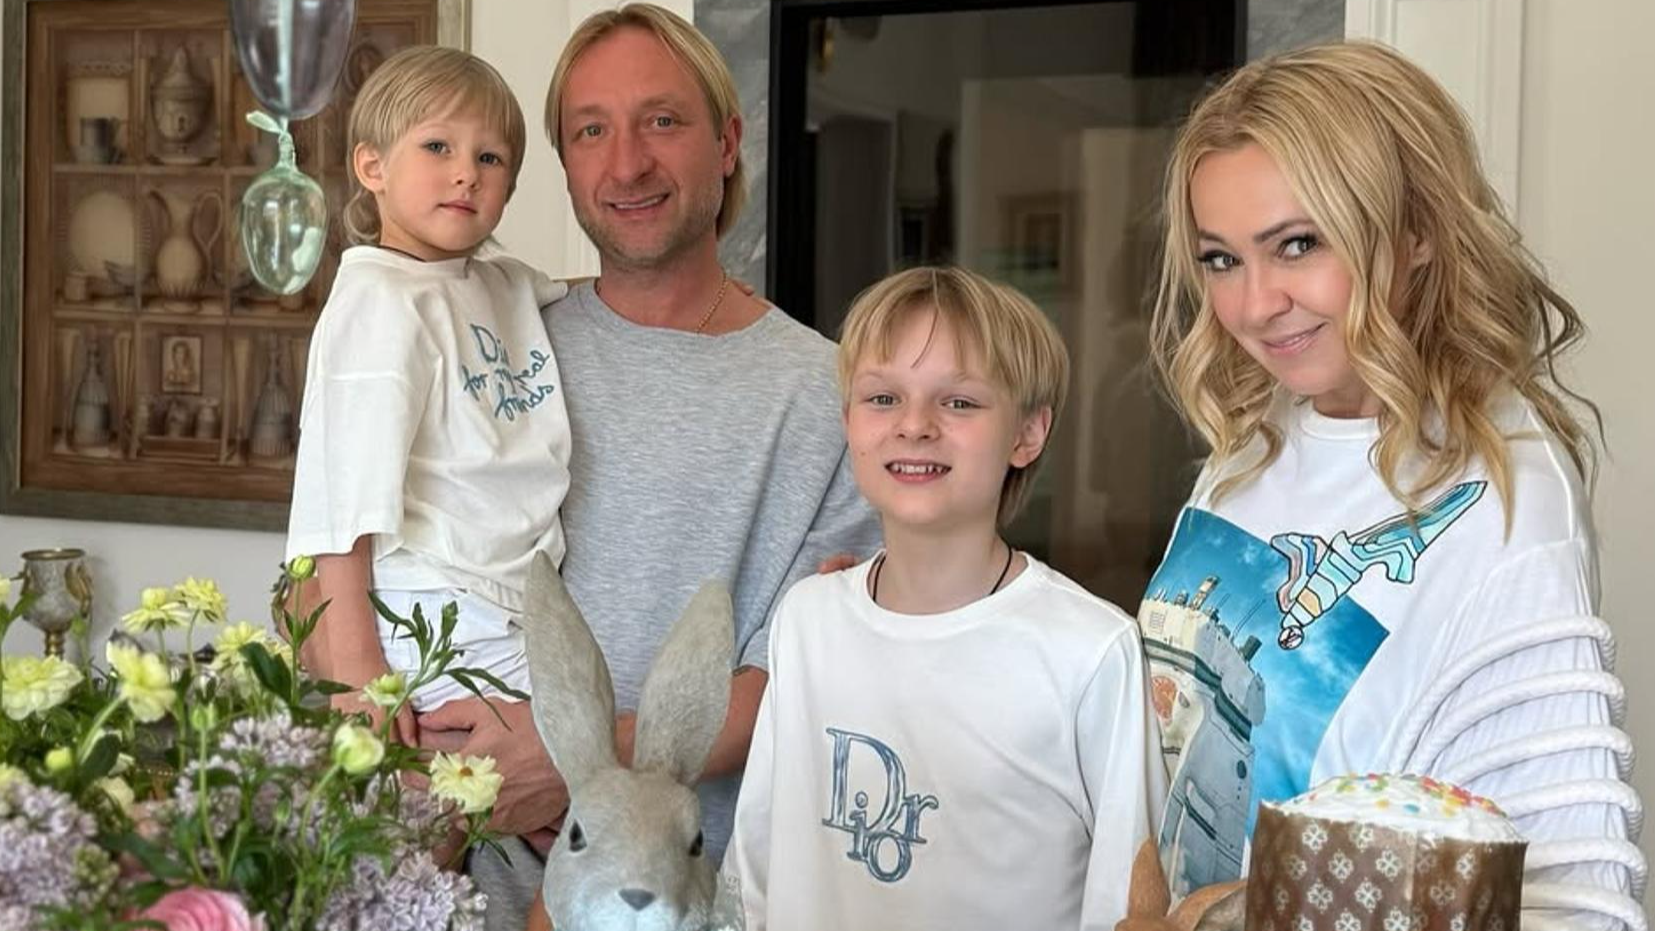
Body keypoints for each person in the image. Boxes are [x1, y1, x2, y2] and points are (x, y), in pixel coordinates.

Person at [1140, 40, 1639, 927]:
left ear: (1415, 234)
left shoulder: (1506, 498)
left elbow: (1572, 900)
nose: (1253, 305)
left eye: (1297, 244)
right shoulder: (1254, 436)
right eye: (1220, 259)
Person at [415, 7, 881, 930]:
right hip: (459, 890)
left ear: (728, 143)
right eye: (591, 131)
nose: (625, 164)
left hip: (686, 899)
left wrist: (581, 765)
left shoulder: (829, 394)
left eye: (661, 121)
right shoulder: (495, 348)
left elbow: (804, 671)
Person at [723, 266, 1165, 930]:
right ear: (848, 422)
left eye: (958, 402)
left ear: (1027, 433)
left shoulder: (1091, 652)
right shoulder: (805, 621)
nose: (914, 425)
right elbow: (754, 872)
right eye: (882, 398)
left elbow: (1128, 904)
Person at [286, 47, 569, 745]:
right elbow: (341, 509)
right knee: (512, 779)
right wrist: (358, 676)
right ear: (372, 167)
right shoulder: (379, 303)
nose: (466, 172)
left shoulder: (497, 281)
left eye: (491, 158)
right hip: (431, 609)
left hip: (507, 604)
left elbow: (593, 295)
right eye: (438, 146)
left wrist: (705, 297)